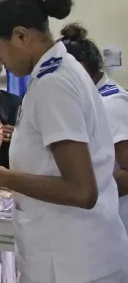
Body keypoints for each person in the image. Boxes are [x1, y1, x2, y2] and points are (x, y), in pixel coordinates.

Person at [0, 0, 128, 283]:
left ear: (20, 36)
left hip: (73, 262)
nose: (1, 62)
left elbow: (82, 191)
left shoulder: (53, 83)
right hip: (71, 253)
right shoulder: (56, 71)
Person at [60, 22, 128, 233]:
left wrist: (81, 192)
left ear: (78, 69)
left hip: (114, 216)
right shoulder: (91, 98)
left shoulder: (112, 103)